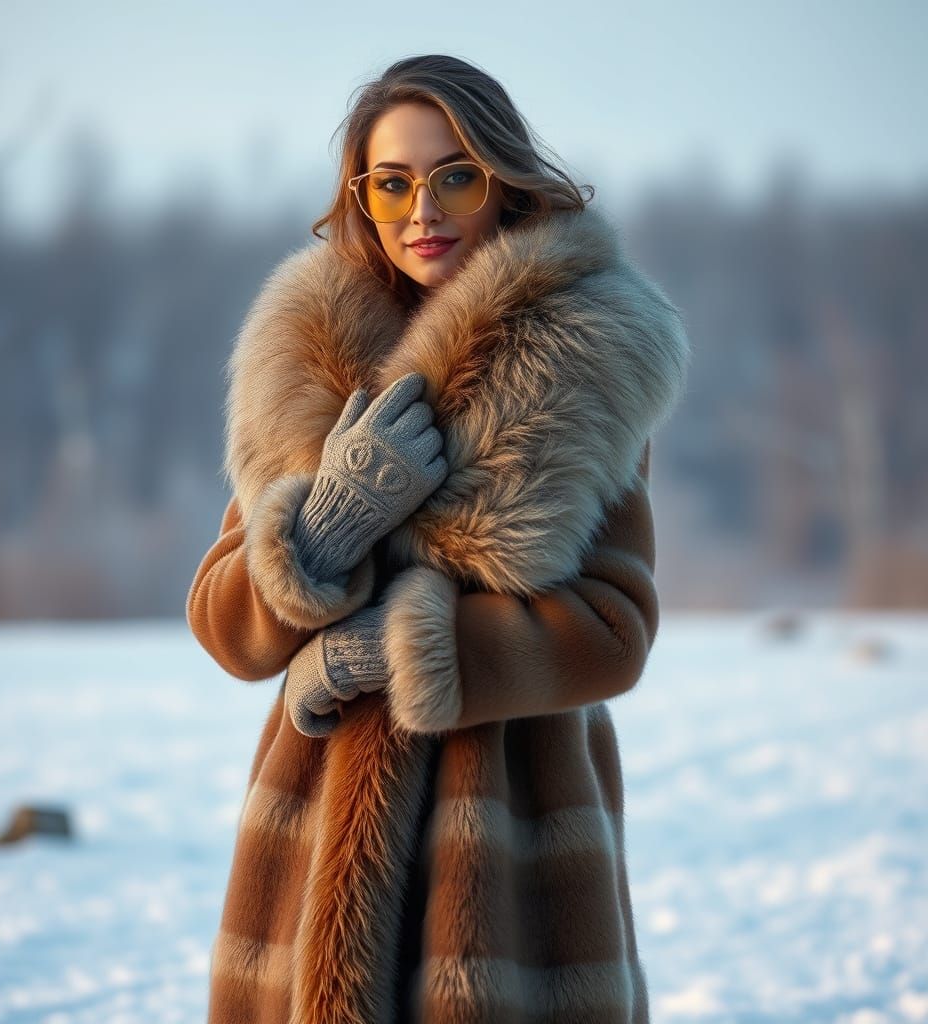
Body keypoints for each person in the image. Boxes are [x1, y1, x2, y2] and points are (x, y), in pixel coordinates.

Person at [186, 53, 690, 1024]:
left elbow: (616, 627)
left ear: (502, 182)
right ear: (360, 198)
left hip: (508, 844)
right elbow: (223, 625)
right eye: (391, 183)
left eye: (454, 175)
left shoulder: (581, 356)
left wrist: (403, 649)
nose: (423, 210)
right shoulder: (299, 360)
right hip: (311, 854)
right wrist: (327, 525)